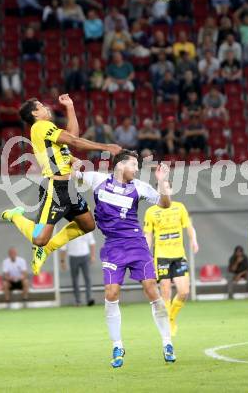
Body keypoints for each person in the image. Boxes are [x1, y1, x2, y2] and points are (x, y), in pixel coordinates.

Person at [74, 151, 176, 366]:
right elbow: (79, 177)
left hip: (136, 244)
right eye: (134, 164)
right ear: (120, 165)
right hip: (113, 246)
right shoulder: (98, 179)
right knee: (111, 293)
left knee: (151, 289)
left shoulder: (139, 187)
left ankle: (167, 342)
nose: (137, 169)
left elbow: (165, 204)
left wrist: (162, 182)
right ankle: (117, 346)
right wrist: (74, 168)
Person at [1, 94, 121, 275]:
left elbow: (72, 138)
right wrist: (107, 147)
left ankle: (49, 248)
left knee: (88, 225)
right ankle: (15, 216)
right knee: (39, 238)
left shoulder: (48, 130)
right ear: (35, 113)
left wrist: (70, 107)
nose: (46, 107)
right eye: (41, 106)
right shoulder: (40, 126)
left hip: (69, 189)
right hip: (54, 190)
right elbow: (74, 141)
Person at [144, 194, 198, 336]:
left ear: (171, 190)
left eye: (167, 187)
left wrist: (194, 240)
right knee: (166, 292)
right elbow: (148, 234)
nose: (165, 191)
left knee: (184, 292)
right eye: (162, 188)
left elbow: (189, 226)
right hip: (161, 256)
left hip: (178, 256)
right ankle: (167, 325)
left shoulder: (179, 207)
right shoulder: (151, 211)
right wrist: (145, 253)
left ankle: (171, 318)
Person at [60, 232, 96, 306]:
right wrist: (62, 261)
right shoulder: (68, 230)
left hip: (85, 255)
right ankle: (78, 301)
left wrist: (92, 256)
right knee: (75, 279)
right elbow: (63, 247)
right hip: (73, 257)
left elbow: (92, 243)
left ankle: (89, 299)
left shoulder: (86, 228)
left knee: (87, 278)